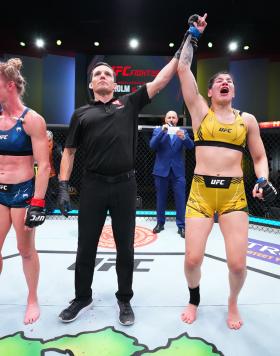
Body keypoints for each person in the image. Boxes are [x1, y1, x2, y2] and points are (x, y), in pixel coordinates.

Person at [57, 51, 187, 325]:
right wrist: (62, 186)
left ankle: (124, 299)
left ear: (115, 84)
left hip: (125, 186)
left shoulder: (129, 103)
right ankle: (82, 297)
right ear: (91, 85)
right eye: (97, 74)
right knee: (86, 246)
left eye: (107, 74)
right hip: (92, 186)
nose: (102, 76)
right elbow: (68, 152)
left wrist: (186, 44)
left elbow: (162, 80)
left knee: (126, 248)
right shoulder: (81, 114)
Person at [177, 14, 278, 329]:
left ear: (233, 91)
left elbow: (260, 156)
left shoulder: (246, 120)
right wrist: (193, 35)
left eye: (229, 81)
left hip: (234, 196)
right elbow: (182, 68)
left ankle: (233, 301)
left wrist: (263, 179)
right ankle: (194, 298)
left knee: (237, 265)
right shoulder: (200, 113)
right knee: (193, 259)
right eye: (218, 81)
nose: (224, 82)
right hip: (200, 194)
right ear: (209, 92)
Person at [0, 58, 50, 324]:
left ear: (9, 86)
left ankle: (32, 298)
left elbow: (43, 165)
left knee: (25, 250)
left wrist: (37, 203)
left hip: (22, 193)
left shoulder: (31, 120)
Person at [150, 110, 194, 237]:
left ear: (177, 120)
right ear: (165, 119)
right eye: (169, 117)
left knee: (180, 199)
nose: (171, 119)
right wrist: (162, 132)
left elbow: (191, 146)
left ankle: (181, 226)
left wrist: (184, 138)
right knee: (160, 199)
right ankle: (160, 223)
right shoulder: (158, 130)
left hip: (178, 172)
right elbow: (152, 145)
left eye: (173, 117)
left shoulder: (182, 131)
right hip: (161, 171)